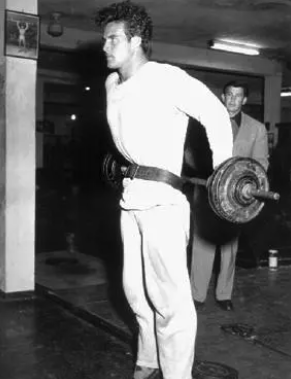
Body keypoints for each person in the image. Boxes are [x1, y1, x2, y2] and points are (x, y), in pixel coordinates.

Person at [95, 2, 233, 379]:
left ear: (136, 39)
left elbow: (214, 111)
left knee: (170, 300)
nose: (105, 46)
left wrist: (224, 166)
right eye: (103, 39)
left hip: (163, 201)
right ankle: (150, 357)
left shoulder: (165, 78)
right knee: (135, 292)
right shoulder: (111, 85)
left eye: (113, 39)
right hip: (130, 196)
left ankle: (176, 374)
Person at [190, 80, 269, 312]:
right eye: (229, 95)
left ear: (245, 100)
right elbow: (188, 154)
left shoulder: (257, 129)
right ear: (222, 97)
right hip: (206, 192)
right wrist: (207, 171)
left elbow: (261, 162)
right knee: (202, 244)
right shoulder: (203, 123)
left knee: (229, 247)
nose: (233, 100)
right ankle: (196, 295)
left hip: (236, 199)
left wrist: (242, 180)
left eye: (238, 96)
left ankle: (224, 295)